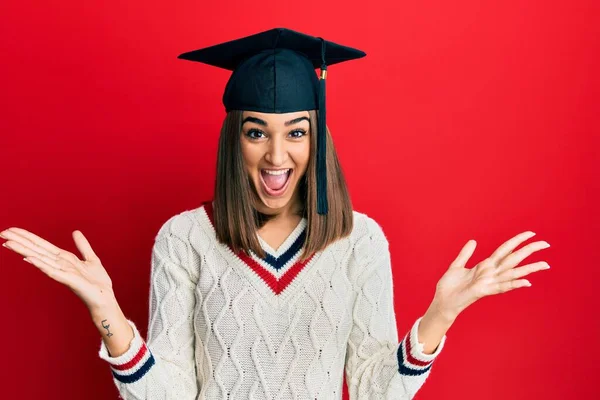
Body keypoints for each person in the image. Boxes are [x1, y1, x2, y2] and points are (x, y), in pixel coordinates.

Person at [0, 28, 551, 400]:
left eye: (296, 132)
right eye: (256, 131)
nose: (276, 155)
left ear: (318, 138)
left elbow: (372, 390)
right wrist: (108, 313)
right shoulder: (185, 238)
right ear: (234, 139)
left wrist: (439, 316)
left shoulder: (360, 241)